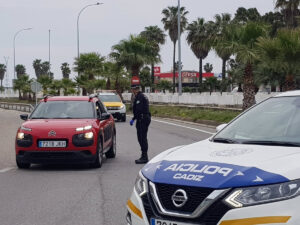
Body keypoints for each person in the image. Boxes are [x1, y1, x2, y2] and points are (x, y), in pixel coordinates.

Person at [130, 85, 151, 164]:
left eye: (133, 89)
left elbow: (139, 110)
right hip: (142, 118)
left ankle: (144, 157)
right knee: (141, 138)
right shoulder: (140, 96)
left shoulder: (140, 97)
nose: (132, 90)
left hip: (143, 119)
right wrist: (133, 119)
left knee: (142, 138)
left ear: (136, 89)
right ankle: (143, 155)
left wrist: (134, 118)